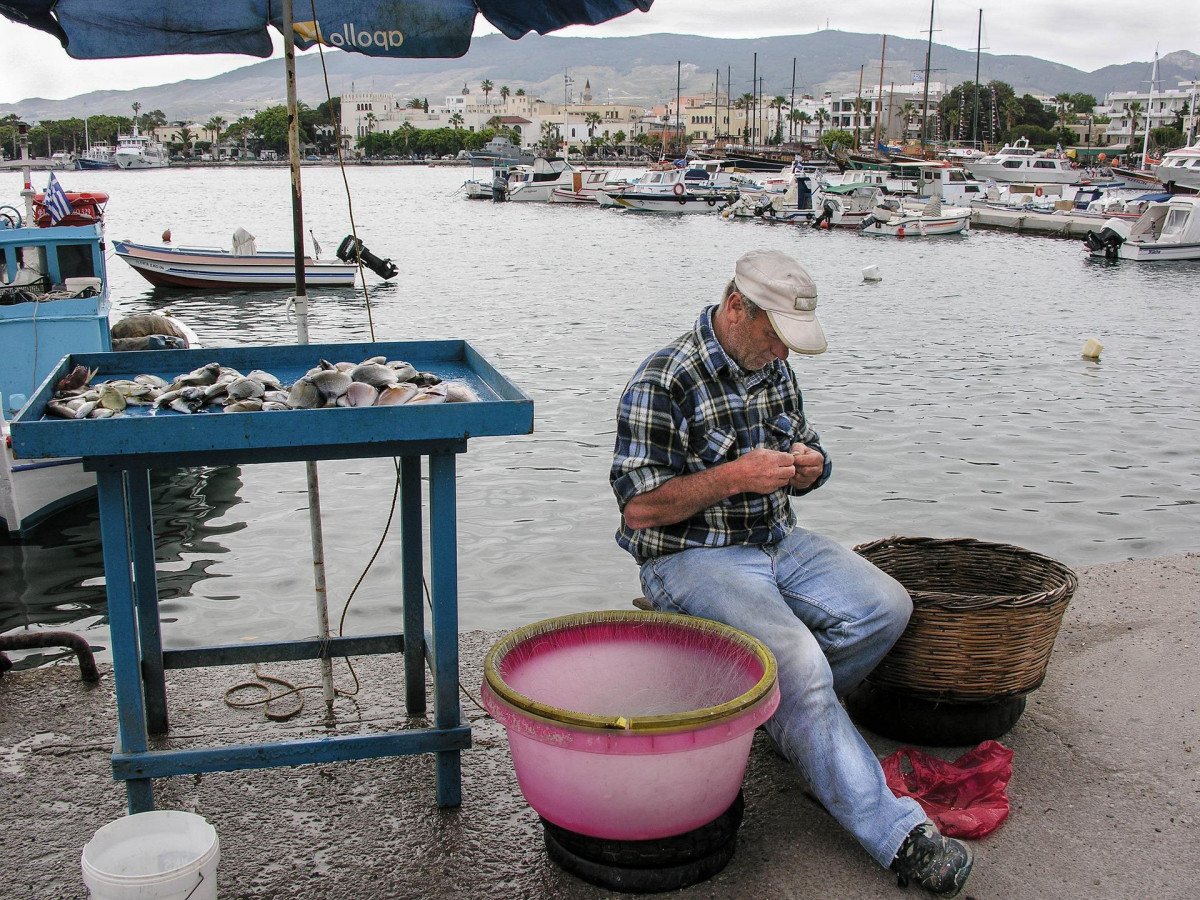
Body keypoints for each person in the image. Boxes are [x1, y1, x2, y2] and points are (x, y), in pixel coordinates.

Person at [609, 249, 974, 897]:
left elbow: (809, 454)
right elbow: (640, 510)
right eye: (777, 336)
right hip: (690, 555)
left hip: (777, 539)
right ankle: (898, 835)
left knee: (887, 607)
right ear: (736, 308)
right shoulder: (664, 379)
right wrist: (732, 478)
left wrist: (811, 466)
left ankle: (793, 724)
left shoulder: (772, 368)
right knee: (800, 667)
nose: (785, 354)